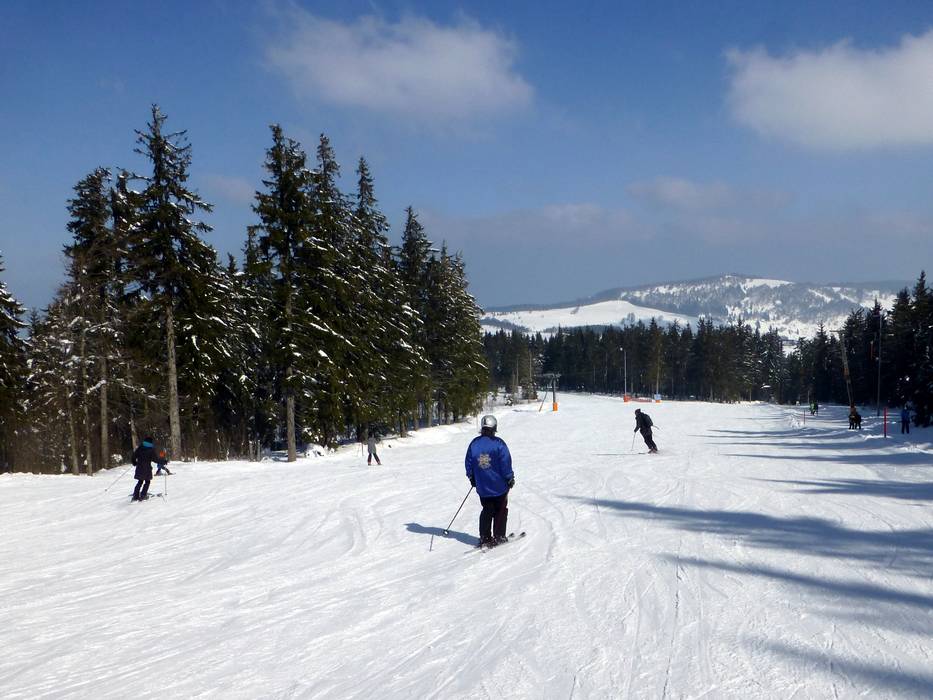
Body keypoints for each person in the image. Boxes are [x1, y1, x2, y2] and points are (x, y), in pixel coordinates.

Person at [465, 415, 514, 547]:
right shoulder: (499, 444)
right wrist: (509, 477)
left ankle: (485, 537)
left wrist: (471, 477)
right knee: (500, 510)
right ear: (494, 428)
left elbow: (469, 462)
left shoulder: (474, 444)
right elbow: (505, 463)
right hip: (499, 486)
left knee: (487, 510)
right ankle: (499, 536)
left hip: (483, 486)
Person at [131, 436, 161, 501]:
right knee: (147, 482)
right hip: (147, 469)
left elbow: (133, 456)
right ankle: (143, 495)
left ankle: (135, 496)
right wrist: (162, 461)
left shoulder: (140, 448)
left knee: (140, 481)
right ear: (151, 442)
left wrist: (134, 463)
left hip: (139, 468)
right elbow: (155, 459)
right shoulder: (151, 450)